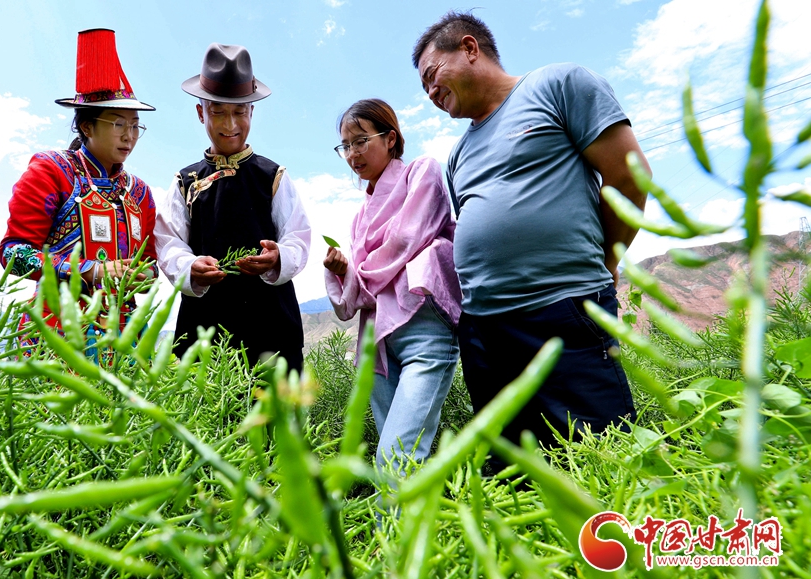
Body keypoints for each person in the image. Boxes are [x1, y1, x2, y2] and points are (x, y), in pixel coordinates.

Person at [411, 12, 648, 456]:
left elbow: (629, 177)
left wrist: (607, 261)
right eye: (423, 86)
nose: (429, 92)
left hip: (563, 308)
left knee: (601, 452)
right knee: (514, 466)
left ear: (469, 48)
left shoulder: (558, 85)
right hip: (485, 333)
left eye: (431, 74)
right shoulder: (457, 156)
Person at [0, 29, 158, 354]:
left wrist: (144, 275)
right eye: (118, 124)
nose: (129, 136)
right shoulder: (52, 172)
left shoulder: (139, 193)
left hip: (125, 340)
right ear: (87, 126)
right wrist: (91, 270)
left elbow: (151, 263)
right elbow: (14, 253)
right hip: (56, 332)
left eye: (135, 125)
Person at [155, 43, 311, 373]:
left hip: (271, 327)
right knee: (207, 402)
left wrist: (278, 258)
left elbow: (297, 237)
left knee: (275, 403)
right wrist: (189, 266)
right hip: (204, 328)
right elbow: (168, 244)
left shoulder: (273, 176)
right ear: (201, 113)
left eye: (239, 112)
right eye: (218, 112)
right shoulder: (185, 182)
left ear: (252, 112)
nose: (230, 124)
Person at [324, 99, 461, 471]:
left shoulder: (421, 172)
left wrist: (357, 274)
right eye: (345, 146)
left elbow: (406, 239)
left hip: (424, 327)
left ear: (390, 139)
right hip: (378, 340)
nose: (352, 153)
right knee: (396, 454)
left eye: (360, 140)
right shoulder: (359, 218)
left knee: (395, 454)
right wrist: (342, 271)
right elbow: (351, 301)